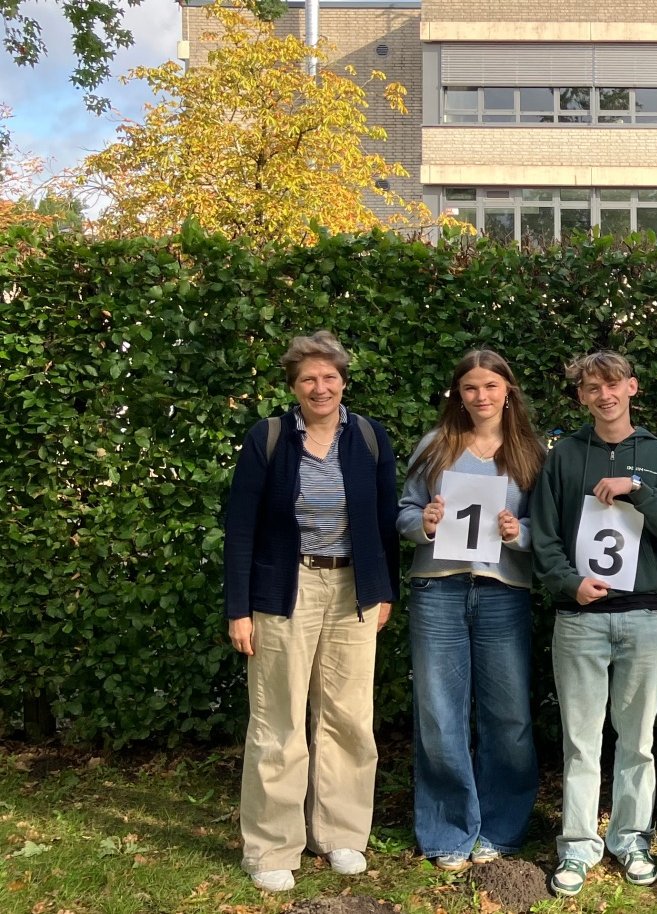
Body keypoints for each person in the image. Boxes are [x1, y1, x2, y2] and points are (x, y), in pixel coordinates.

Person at [222, 330, 399, 894]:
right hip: (284, 590)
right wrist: (239, 608)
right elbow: (240, 527)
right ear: (294, 387)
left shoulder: (368, 436)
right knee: (278, 721)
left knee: (349, 717)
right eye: (308, 379)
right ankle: (272, 846)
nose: (320, 387)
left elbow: (385, 519)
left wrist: (384, 590)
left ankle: (340, 832)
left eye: (329, 377)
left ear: (343, 381)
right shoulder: (269, 437)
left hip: (354, 590)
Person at [529, 351, 657, 897]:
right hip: (580, 618)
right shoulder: (564, 456)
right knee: (581, 741)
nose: (605, 395)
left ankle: (631, 838)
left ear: (632, 387)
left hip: (642, 616)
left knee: (638, 740)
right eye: (593, 388)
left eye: (613, 384)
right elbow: (544, 535)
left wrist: (637, 490)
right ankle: (578, 846)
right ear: (582, 396)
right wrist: (568, 583)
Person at [397, 349, 544, 872]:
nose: (481, 396)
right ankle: (448, 831)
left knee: (510, 715)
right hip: (438, 590)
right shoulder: (435, 446)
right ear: (458, 395)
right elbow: (405, 511)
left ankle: (502, 828)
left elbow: (549, 529)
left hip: (504, 591)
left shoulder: (530, 453)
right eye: (470, 388)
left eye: (490, 386)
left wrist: (519, 533)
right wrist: (425, 524)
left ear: (508, 391)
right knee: (439, 713)